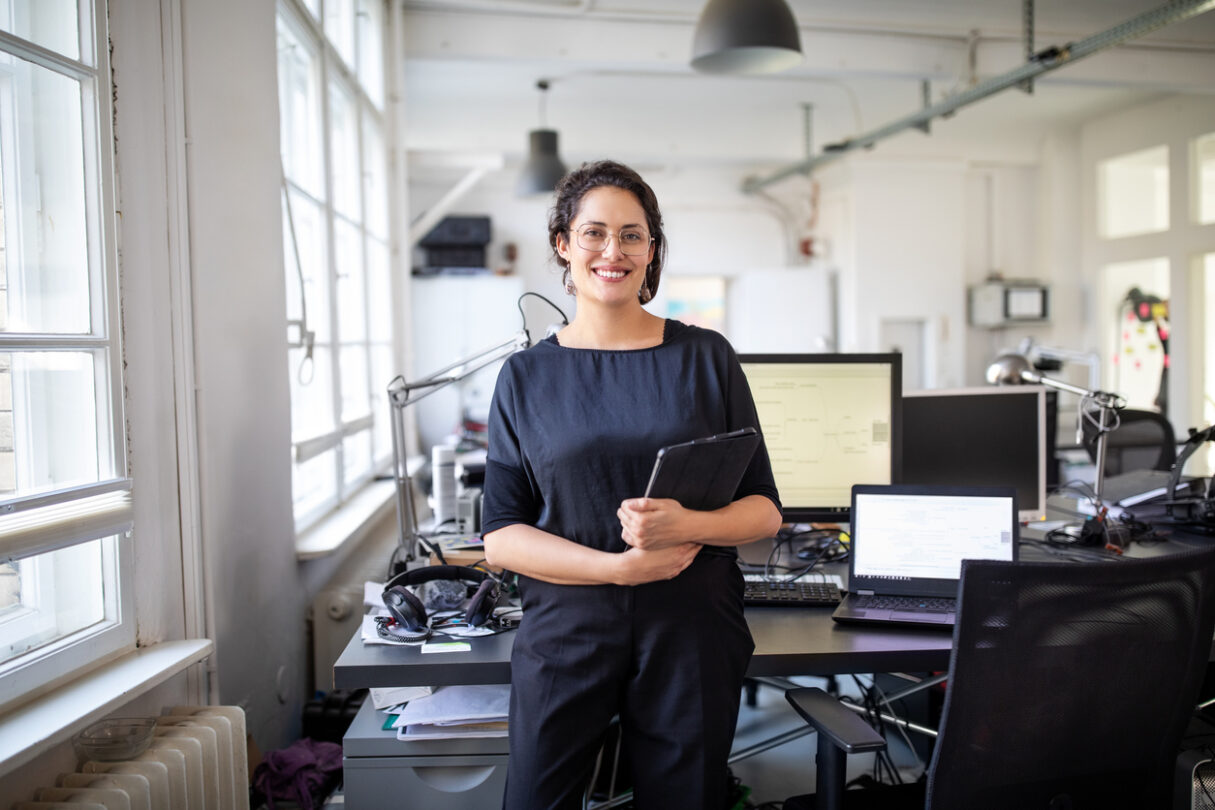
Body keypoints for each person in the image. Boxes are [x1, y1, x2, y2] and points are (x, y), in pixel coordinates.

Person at [481, 159, 782, 810]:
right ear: (562, 244)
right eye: (593, 233)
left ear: (651, 250)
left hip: (691, 625)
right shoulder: (525, 377)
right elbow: (502, 537)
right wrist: (618, 571)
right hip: (567, 627)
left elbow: (762, 512)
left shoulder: (706, 358)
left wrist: (689, 526)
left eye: (631, 235)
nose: (611, 252)